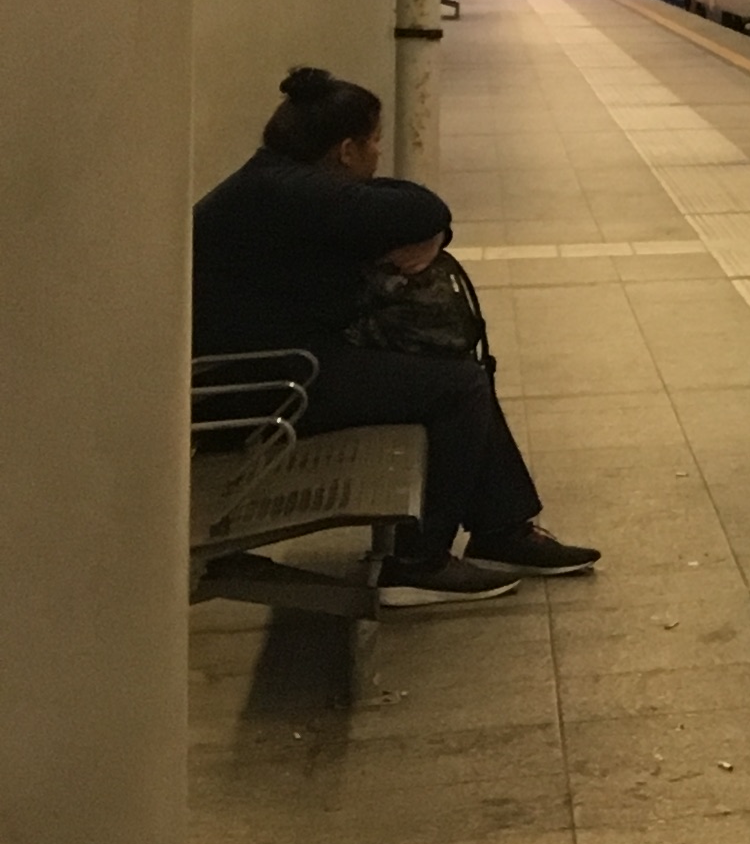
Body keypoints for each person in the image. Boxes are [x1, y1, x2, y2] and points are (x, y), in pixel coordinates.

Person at [192, 67, 595, 605]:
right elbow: (422, 207)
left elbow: (405, 205)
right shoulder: (291, 194)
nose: (379, 153)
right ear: (346, 151)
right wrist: (434, 227)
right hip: (261, 384)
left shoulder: (278, 182)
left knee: (459, 373)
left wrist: (432, 235)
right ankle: (417, 561)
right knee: (456, 387)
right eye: (375, 141)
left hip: (274, 363)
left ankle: (501, 529)